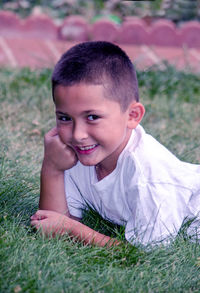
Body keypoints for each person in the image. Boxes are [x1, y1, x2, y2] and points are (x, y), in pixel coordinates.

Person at [31, 41, 200, 247]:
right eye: (65, 118)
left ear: (132, 115)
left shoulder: (149, 176)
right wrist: (52, 168)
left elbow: (143, 257)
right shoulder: (77, 155)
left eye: (92, 117)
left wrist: (73, 229)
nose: (78, 134)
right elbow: (51, 224)